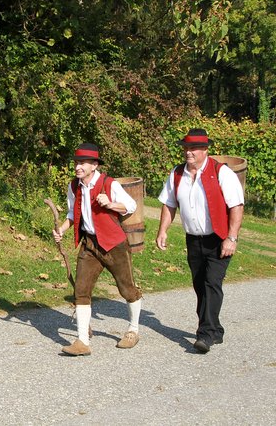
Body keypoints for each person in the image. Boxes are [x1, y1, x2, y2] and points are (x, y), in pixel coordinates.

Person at [156, 128, 244, 354]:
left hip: (219, 238)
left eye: (193, 148)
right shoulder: (177, 174)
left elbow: (236, 206)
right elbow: (169, 204)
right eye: (186, 148)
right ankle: (215, 329)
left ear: (205, 150)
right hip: (193, 239)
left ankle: (204, 335)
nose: (188, 152)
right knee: (199, 284)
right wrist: (162, 230)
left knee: (211, 282)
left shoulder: (221, 173)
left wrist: (231, 238)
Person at [53, 143, 142, 356]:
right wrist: (62, 230)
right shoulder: (74, 186)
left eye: (82, 163)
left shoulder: (109, 184)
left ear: (94, 165)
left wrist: (110, 204)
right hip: (90, 244)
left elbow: (131, 206)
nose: (77, 166)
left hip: (114, 244)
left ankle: (133, 330)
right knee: (81, 290)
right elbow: (72, 215)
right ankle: (82, 341)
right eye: (76, 162)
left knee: (127, 289)